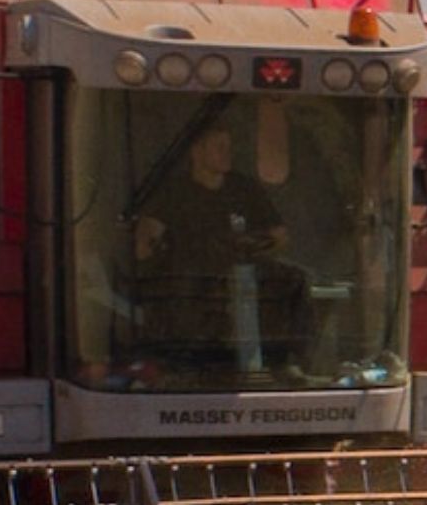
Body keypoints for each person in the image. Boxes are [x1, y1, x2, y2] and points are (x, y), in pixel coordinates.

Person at [131, 125, 308, 376]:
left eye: (229, 147)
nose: (227, 153)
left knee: (295, 279)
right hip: (193, 277)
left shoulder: (244, 188)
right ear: (197, 151)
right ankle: (187, 365)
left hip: (244, 269)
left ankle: (284, 360)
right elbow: (145, 244)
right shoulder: (174, 192)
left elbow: (279, 237)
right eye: (219, 147)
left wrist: (251, 243)